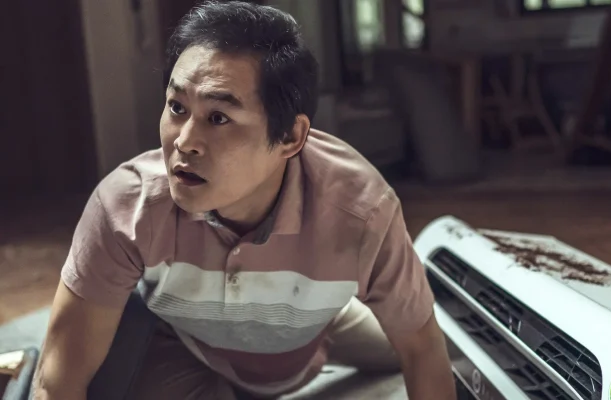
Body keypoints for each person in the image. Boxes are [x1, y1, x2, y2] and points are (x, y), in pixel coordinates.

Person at [32, 2, 455, 399]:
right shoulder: (126, 206)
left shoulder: (361, 210)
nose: (184, 142)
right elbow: (57, 380)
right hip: (188, 345)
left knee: (448, 345)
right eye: (177, 107)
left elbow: (421, 349)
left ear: (290, 136)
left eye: (218, 118)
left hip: (311, 325)